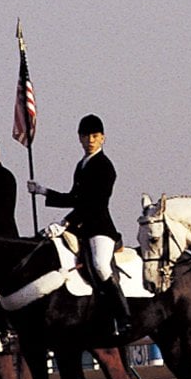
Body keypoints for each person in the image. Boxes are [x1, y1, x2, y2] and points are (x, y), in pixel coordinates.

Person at [27, 114, 131, 338]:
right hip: (81, 226)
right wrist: (43, 191)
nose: (90, 140)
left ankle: (123, 317)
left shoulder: (105, 166)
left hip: (100, 227)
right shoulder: (81, 165)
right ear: (80, 139)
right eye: (86, 136)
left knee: (101, 265)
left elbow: (93, 202)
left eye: (94, 136)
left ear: (102, 138)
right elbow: (75, 197)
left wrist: (66, 223)